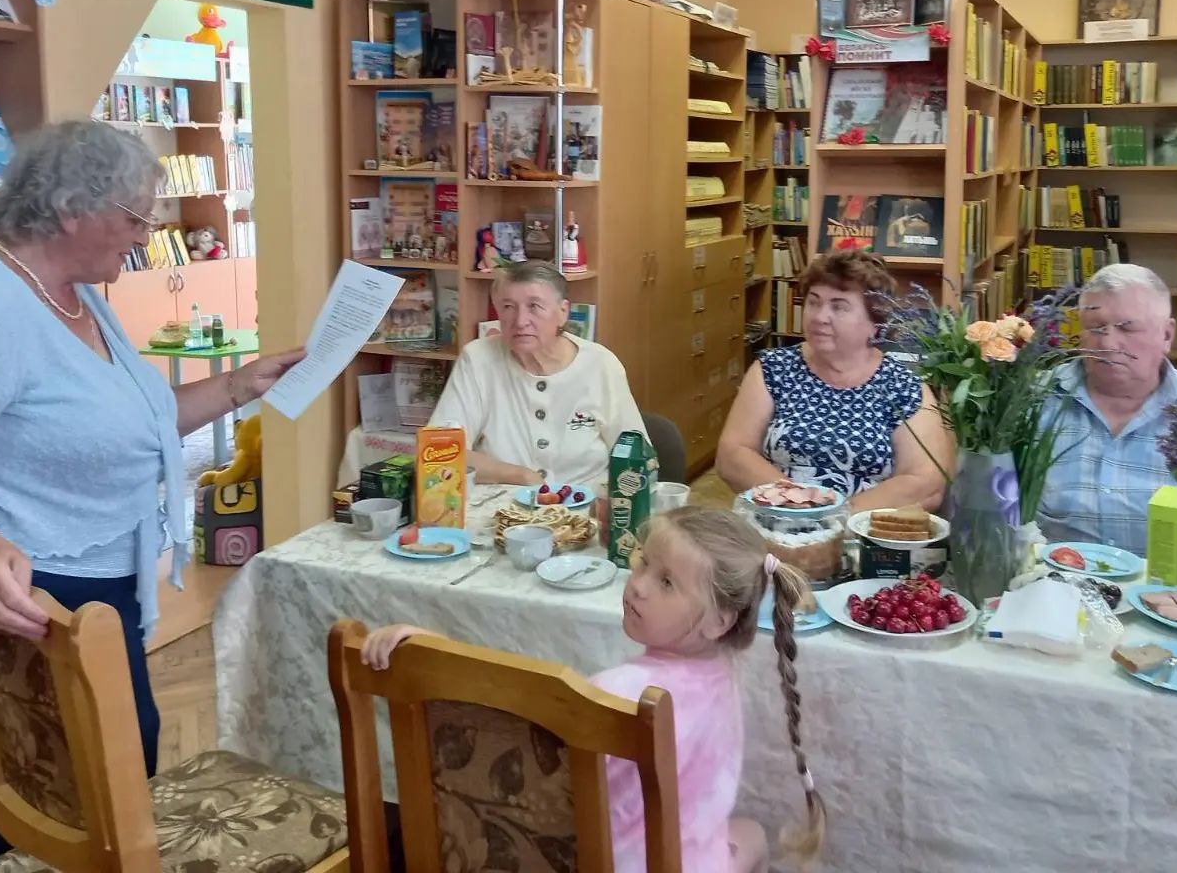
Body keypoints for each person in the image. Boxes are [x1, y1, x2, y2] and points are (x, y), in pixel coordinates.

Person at [0, 120, 303, 779]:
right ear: (72, 211)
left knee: (122, 752)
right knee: (73, 775)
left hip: (109, 576)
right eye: (134, 217)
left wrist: (245, 382)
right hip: (38, 589)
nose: (146, 235)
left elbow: (143, 422)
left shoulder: (74, 297)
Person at [361, 506, 825, 873]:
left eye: (665, 582)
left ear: (719, 621)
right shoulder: (723, 669)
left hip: (601, 860)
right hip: (676, 854)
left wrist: (429, 650)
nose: (637, 587)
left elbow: (502, 730)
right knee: (752, 836)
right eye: (643, 562)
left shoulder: (621, 694)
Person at [717, 250, 951, 510]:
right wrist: (798, 504)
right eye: (814, 302)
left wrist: (838, 518)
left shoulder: (904, 386)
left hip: (864, 530)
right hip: (778, 519)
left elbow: (925, 483)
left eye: (839, 306)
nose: (819, 316)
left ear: (875, 323)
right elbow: (732, 455)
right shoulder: (773, 369)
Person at [431, 260, 645, 485]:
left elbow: (636, 458)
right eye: (508, 307)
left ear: (563, 312)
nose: (521, 321)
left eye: (534, 306)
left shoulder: (600, 365)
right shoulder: (478, 359)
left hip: (585, 510)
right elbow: (438, 451)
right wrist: (521, 476)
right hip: (501, 512)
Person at [1037, 263, 1177, 555]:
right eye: (1095, 328)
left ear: (1167, 335)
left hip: (1168, 596)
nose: (1107, 342)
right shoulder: (1031, 399)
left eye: (1126, 328)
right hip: (1049, 588)